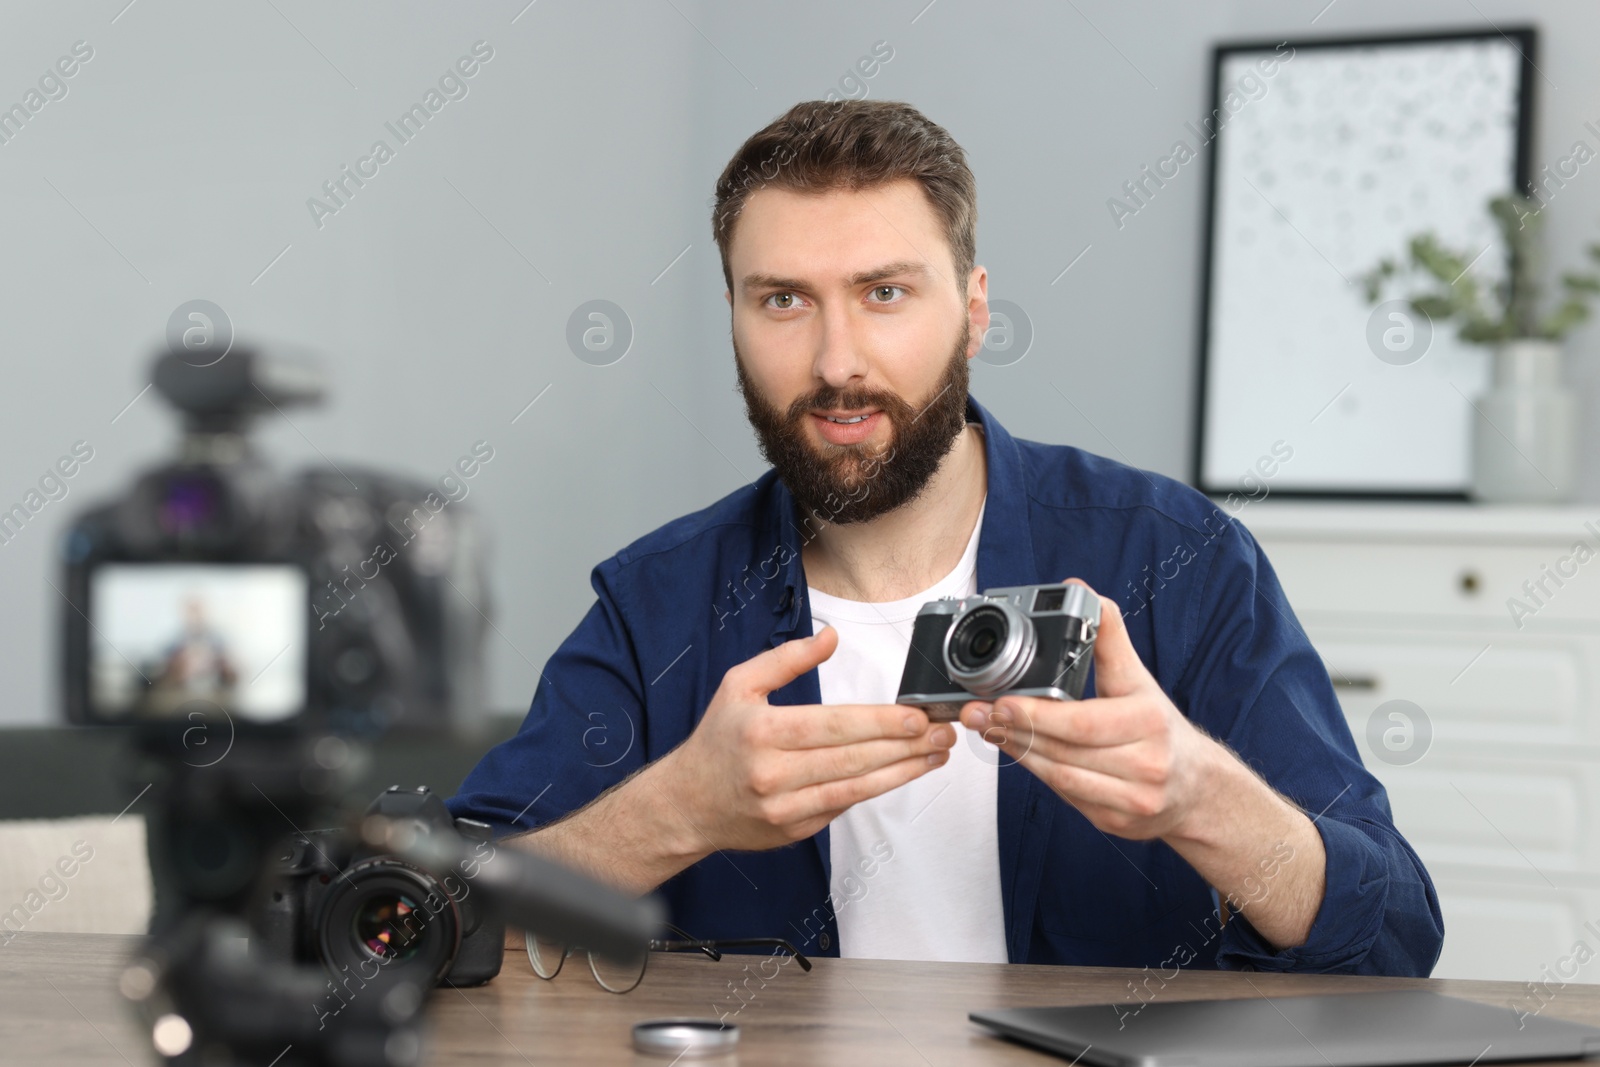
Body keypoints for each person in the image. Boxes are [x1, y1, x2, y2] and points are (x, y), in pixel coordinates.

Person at [447, 99, 1443, 975]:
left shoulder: (1174, 558)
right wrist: (678, 812)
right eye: (783, 299)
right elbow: (439, 914)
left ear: (971, 313)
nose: (837, 362)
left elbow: (1396, 933)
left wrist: (1200, 797)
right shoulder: (654, 601)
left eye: (885, 292)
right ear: (734, 317)